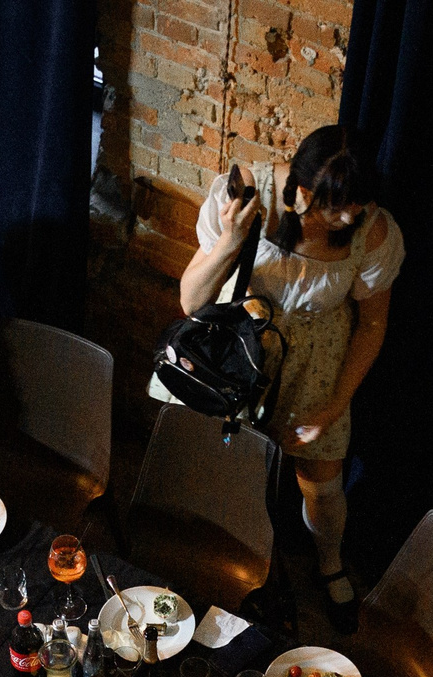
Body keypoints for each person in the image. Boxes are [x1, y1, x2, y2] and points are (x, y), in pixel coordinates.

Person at [179, 126, 402, 628]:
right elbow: (192, 303)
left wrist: (334, 404)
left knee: (321, 486)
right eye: (336, 207)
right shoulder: (248, 196)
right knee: (228, 470)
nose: (351, 218)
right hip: (242, 355)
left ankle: (330, 565)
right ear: (301, 192)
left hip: (316, 366)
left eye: (358, 205)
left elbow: (373, 325)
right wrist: (232, 241)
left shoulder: (372, 231)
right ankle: (234, 561)